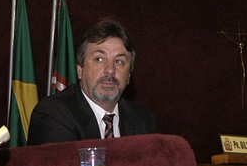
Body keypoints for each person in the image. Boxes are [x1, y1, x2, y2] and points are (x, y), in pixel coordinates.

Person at [27, 19, 155, 144]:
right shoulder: (53, 114)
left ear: (128, 76)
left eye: (119, 61)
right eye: (99, 59)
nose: (110, 70)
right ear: (80, 70)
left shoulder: (142, 119)